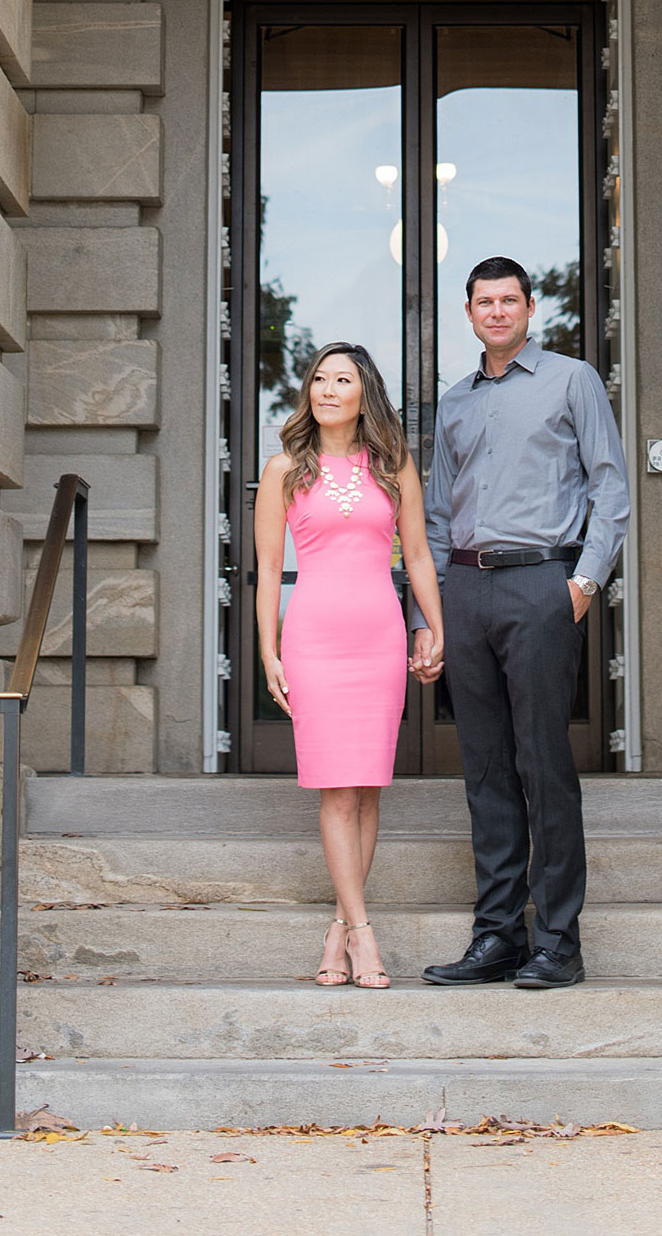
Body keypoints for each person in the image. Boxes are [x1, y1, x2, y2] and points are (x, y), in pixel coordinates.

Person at [420, 256, 630, 991]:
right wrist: (431, 611)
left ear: (530, 308)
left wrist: (583, 582)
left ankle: (559, 941)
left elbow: (612, 487)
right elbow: (438, 516)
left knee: (544, 765)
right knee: (485, 771)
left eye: (510, 299)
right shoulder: (454, 403)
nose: (498, 311)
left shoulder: (572, 380)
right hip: (468, 592)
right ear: (470, 312)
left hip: (544, 582)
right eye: (485, 301)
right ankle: (498, 936)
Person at [255, 340, 445, 991]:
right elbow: (264, 575)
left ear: (364, 392)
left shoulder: (393, 466)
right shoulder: (285, 469)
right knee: (336, 788)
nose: (327, 389)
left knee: (366, 789)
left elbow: (417, 555)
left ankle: (338, 930)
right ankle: (364, 934)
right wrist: (267, 650)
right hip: (314, 642)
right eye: (318, 379)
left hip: (380, 640)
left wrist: (434, 627)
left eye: (342, 380)